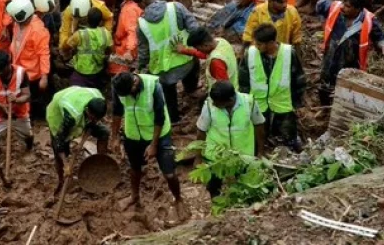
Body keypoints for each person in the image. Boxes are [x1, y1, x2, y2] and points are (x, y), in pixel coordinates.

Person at [111, 72, 188, 219]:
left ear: (134, 83)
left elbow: (160, 117)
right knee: (134, 168)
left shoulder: (154, 87)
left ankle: (178, 199)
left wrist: (153, 145)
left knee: (169, 173)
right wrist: (114, 137)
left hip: (159, 134)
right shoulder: (119, 87)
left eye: (129, 93)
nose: (127, 97)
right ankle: (134, 197)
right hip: (133, 134)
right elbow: (117, 111)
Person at [133, 0, 200, 123]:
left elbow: (144, 52)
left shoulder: (142, 24)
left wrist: (140, 69)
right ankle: (191, 91)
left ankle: (174, 119)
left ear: (143, 1)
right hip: (186, 60)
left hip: (163, 70)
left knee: (168, 94)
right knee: (194, 63)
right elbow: (195, 29)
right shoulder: (176, 7)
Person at [316, 0, 384, 105]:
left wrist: (383, 46)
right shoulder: (335, 7)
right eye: (343, 3)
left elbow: (379, 36)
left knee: (345, 87)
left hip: (351, 62)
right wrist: (322, 22)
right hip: (331, 55)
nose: (342, 7)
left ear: (358, 8)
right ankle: (323, 106)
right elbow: (319, 5)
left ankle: (337, 107)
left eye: (348, 6)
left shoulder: (368, 20)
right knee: (325, 80)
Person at [239, 24, 306, 151]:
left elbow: (298, 78)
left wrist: (298, 103)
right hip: (258, 102)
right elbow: (243, 80)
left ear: (270, 43)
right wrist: (244, 101)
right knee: (257, 133)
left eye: (259, 44)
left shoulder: (288, 53)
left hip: (282, 102)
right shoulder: (251, 53)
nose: (256, 47)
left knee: (287, 134)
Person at [195, 81, 265, 197]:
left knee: (245, 184)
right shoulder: (209, 105)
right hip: (216, 155)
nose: (214, 104)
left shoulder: (249, 102)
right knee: (214, 185)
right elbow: (201, 131)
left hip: (243, 155)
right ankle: (216, 203)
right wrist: (198, 156)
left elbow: (259, 125)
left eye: (218, 103)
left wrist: (261, 151)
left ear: (230, 100)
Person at [47, 87, 109, 194]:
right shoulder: (71, 116)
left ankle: (101, 164)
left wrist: (91, 125)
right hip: (58, 116)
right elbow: (59, 141)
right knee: (60, 151)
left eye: (98, 119)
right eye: (93, 118)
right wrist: (66, 164)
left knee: (104, 132)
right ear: (87, 110)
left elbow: (94, 121)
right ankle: (62, 180)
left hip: (77, 105)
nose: (96, 121)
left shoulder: (98, 99)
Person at [0, 50, 33, 149]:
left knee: (28, 136)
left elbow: (27, 95)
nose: (0, 73)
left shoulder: (21, 73)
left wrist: (17, 100)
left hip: (19, 113)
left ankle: (29, 149)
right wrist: (1, 106)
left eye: (2, 70)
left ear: (9, 63)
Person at [7, 0, 50, 100]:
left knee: (32, 98)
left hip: (32, 75)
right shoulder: (18, 23)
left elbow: (44, 54)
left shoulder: (38, 31)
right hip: (18, 69)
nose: (12, 20)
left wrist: (44, 77)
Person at [64, 8, 113, 89]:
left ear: (87, 20)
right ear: (100, 22)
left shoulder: (79, 34)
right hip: (98, 71)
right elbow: (111, 51)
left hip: (81, 72)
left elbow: (66, 47)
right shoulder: (106, 33)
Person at [108, 0, 143, 75]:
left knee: (118, 73)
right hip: (132, 44)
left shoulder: (129, 10)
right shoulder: (136, 4)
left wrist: (129, 51)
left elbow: (132, 32)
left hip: (125, 46)